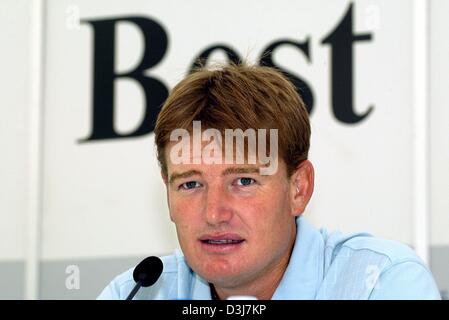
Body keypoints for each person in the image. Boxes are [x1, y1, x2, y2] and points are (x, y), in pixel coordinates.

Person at [98, 63, 441, 300]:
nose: (214, 213)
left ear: (299, 188)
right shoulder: (136, 292)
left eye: (243, 181)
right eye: (190, 184)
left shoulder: (379, 283)